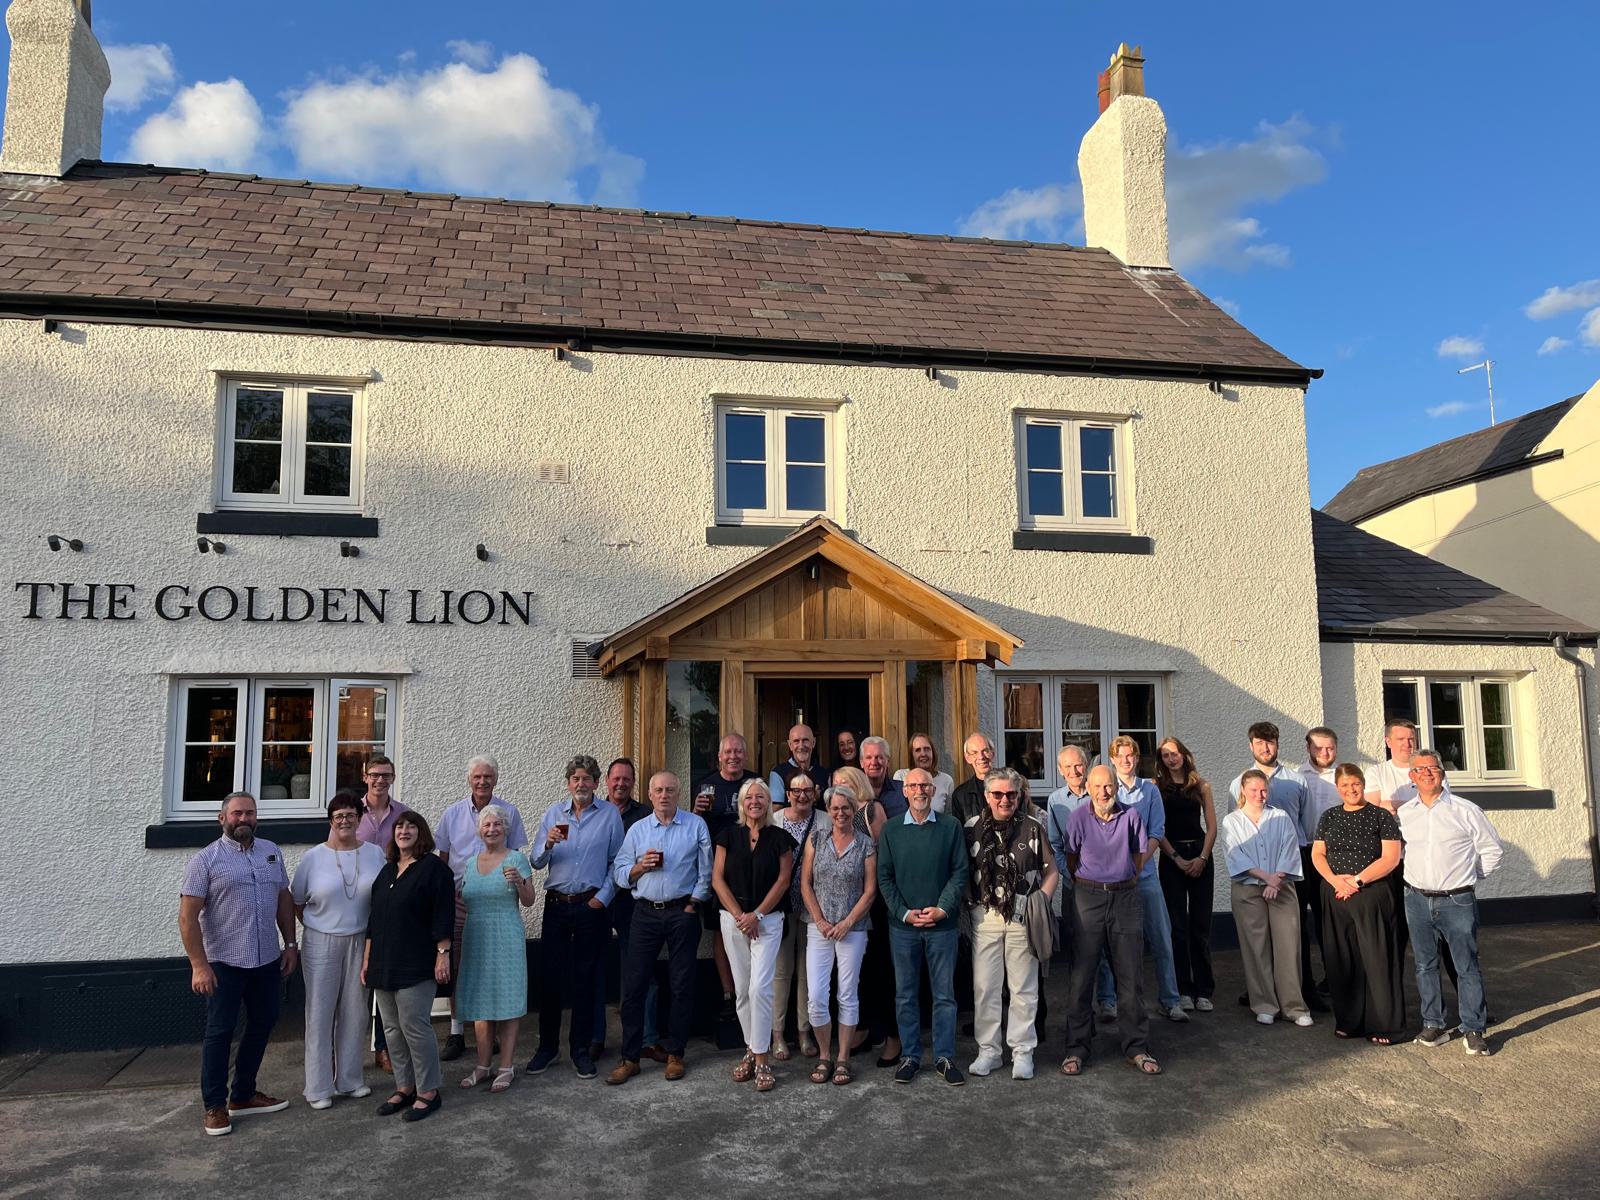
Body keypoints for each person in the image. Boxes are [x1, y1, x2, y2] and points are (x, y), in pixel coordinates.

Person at [178, 791, 298, 1137]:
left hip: (266, 960)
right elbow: (187, 918)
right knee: (220, 1032)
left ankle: (243, 1094)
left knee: (264, 1022)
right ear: (222, 819)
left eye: (249, 813)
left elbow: (283, 897)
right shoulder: (205, 861)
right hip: (223, 962)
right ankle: (215, 1105)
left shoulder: (271, 852)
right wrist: (198, 966)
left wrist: (290, 944)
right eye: (236, 814)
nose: (243, 819)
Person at [608, 772, 714, 1086]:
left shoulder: (695, 825)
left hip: (682, 911)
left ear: (678, 793)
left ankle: (675, 1053)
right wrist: (641, 867)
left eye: (670, 789)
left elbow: (705, 871)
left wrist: (694, 903)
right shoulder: (638, 830)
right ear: (650, 795)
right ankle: (630, 1057)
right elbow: (619, 872)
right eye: (658, 790)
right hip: (644, 913)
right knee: (634, 985)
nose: (664, 795)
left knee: (682, 984)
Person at [1397, 750, 1503, 1055]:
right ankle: (1434, 1023)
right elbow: (1403, 852)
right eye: (1421, 769)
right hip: (1416, 899)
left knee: (1466, 966)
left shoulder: (1465, 810)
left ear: (1442, 773)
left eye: (1433, 768)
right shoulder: (1406, 813)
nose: (1427, 773)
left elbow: (1492, 850)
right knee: (1424, 965)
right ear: (1412, 777)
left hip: (1457, 900)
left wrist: (1469, 877)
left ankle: (1474, 1028)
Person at [526, 755, 624, 1080]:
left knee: (585, 979)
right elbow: (536, 862)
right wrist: (548, 844)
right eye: (575, 779)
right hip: (556, 905)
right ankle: (547, 1047)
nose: (580, 784)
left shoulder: (609, 815)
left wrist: (602, 898)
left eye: (586, 778)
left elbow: (617, 862)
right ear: (568, 784)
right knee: (550, 978)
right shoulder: (554, 814)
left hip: (589, 906)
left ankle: (580, 1049)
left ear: (596, 783)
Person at [1059, 766, 1160, 1077]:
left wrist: (1118, 877)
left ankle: (1136, 1047)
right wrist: (1094, 880)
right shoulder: (1077, 818)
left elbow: (1138, 857)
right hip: (1087, 897)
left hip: (1125, 898)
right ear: (1088, 787)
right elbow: (1071, 858)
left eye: (1110, 786)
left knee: (1130, 976)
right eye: (1098, 786)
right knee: (1082, 975)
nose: (1104, 792)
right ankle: (1077, 1047)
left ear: (1117, 787)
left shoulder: (1131, 817)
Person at [291, 791, 387, 1109]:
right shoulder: (313, 857)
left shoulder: (375, 854)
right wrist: (320, 924)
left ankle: (350, 1080)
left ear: (360, 819)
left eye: (350, 815)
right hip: (322, 941)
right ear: (331, 821)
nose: (345, 821)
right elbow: (297, 901)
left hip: (362, 939)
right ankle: (318, 1088)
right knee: (320, 1012)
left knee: (356, 1011)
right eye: (338, 816)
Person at [964, 768, 1059, 1081]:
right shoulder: (972, 828)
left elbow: (1051, 871)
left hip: (1021, 916)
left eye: (1011, 794)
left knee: (1023, 988)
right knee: (985, 988)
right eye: (998, 794)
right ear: (988, 796)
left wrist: (1040, 902)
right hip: (985, 915)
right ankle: (989, 1051)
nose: (1005, 800)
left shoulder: (1032, 827)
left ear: (1019, 796)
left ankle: (1022, 1052)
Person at [877, 766, 969, 1086]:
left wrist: (942, 909)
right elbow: (884, 877)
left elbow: (959, 873)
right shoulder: (890, 830)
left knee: (944, 995)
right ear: (904, 791)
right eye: (913, 785)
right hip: (903, 927)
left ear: (934, 790)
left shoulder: (950, 827)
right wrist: (903, 913)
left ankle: (944, 1056)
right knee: (905, 995)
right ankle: (911, 1056)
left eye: (925, 786)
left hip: (942, 926)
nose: (919, 791)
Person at [434, 755, 529, 1060]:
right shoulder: (452, 814)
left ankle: (494, 1036)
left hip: (498, 902)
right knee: (462, 967)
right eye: (477, 777)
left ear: (495, 779)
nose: (482, 781)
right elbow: (443, 860)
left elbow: (515, 855)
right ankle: (456, 1031)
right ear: (469, 779)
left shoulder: (509, 812)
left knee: (495, 971)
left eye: (488, 777)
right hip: (461, 901)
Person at [364, 811, 454, 1122]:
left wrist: (443, 953)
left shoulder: (434, 870)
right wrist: (367, 960)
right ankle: (405, 1086)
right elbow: (373, 921)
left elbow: (443, 914)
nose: (404, 831)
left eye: (410, 826)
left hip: (417, 961)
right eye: (399, 826)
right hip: (383, 962)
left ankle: (429, 1091)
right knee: (391, 1028)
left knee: (415, 1027)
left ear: (421, 833)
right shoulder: (387, 871)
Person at [1229, 722, 1325, 1011]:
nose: (1265, 747)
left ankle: (1302, 992)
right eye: (1260, 742)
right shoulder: (1238, 783)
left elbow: (1306, 826)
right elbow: (1236, 827)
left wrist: (1286, 868)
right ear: (1251, 746)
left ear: (1278, 744)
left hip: (1291, 866)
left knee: (1293, 933)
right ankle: (1261, 994)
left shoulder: (1297, 781)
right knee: (1257, 936)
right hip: (1254, 873)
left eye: (1270, 742)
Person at [1310, 764, 1405, 1044]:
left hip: (1372, 895)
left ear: (1363, 784)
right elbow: (1318, 854)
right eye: (1344, 786)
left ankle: (1385, 1025)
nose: (1351, 790)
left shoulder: (1380, 817)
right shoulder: (1329, 817)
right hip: (1336, 895)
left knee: (1377, 960)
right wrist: (1335, 881)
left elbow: (1391, 858)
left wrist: (1357, 881)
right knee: (1342, 960)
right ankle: (1350, 1021)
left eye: (1355, 784)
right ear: (1337, 789)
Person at [712, 779, 794, 1092]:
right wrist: (740, 916)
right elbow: (717, 880)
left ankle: (761, 1059)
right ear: (741, 803)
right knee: (743, 989)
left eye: (760, 796)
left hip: (768, 920)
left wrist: (756, 914)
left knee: (761, 987)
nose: (754, 801)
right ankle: (751, 1050)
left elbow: (784, 880)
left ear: (768, 802)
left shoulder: (780, 837)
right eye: (749, 797)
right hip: (733, 920)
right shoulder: (728, 835)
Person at [455, 804, 536, 1093]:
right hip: (476, 934)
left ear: (506, 829)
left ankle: (506, 1066)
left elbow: (529, 901)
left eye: (497, 825)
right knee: (479, 1001)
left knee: (507, 999)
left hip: (506, 934)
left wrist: (520, 881)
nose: (492, 829)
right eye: (487, 825)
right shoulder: (468, 863)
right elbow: (462, 899)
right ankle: (482, 1065)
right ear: (479, 829)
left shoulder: (516, 859)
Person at [1106, 736, 1188, 1023]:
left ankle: (1170, 1000)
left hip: (1145, 875)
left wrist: (1139, 863)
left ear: (1137, 759)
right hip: (1114, 877)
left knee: (1161, 938)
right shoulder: (1108, 789)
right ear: (1113, 759)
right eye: (1121, 756)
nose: (1126, 761)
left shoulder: (1150, 791)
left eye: (1131, 756)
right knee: (1115, 943)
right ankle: (1115, 1002)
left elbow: (1156, 831)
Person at [801, 784, 877, 1085]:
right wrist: (819, 919)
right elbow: (805, 883)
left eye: (846, 807)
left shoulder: (865, 843)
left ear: (853, 811)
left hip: (853, 928)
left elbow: (870, 890)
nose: (841, 812)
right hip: (819, 928)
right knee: (817, 996)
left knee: (847, 993)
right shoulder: (816, 839)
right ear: (828, 811)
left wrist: (847, 922)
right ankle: (824, 1055)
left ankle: (843, 1057)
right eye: (835, 808)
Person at [1223, 770, 1312, 1028]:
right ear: (1243, 791)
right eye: (1254, 790)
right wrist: (1265, 877)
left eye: (1264, 790)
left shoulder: (1280, 816)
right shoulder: (1232, 821)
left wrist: (1278, 879)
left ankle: (1294, 1007)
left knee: (1288, 945)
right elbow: (1235, 854)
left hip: (1282, 887)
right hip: (1248, 889)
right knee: (1255, 947)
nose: (1260, 795)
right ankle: (1264, 1004)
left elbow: (1290, 847)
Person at [693, 733, 759, 1022]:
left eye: (738, 751)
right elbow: (696, 827)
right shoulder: (706, 784)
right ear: (719, 756)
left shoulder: (755, 783)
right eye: (728, 752)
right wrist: (695, 811)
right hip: (718, 867)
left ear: (745, 755)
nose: (733, 756)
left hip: (754, 866)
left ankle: (754, 993)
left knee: (756, 926)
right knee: (722, 929)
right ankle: (728, 994)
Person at [835, 764, 898, 1065]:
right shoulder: (837, 814)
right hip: (848, 904)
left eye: (846, 781)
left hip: (876, 903)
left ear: (857, 782)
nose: (841, 786)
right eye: (836, 783)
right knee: (858, 975)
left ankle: (891, 1037)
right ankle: (862, 1030)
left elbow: (885, 856)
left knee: (880, 970)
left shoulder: (872, 810)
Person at [590, 757, 652, 1062]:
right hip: (599, 901)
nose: (621, 783)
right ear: (607, 781)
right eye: (616, 778)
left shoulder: (646, 814)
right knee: (595, 969)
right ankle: (596, 1037)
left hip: (633, 903)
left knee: (638, 973)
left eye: (627, 779)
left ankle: (643, 1038)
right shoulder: (595, 813)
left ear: (633, 782)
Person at [1153, 737, 1217, 1013]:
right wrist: (1176, 859)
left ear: (1184, 754)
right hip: (1172, 859)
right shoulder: (1157, 787)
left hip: (1201, 855)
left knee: (1200, 928)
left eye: (1175, 753)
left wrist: (1202, 857)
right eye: (1165, 755)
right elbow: (1158, 828)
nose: (1171, 759)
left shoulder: (1201, 785)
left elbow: (1212, 827)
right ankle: (1182, 989)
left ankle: (1204, 989)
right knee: (1177, 928)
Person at [354, 754, 407, 1071]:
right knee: (356, 978)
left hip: (390, 903)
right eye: (375, 775)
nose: (380, 780)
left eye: (386, 775)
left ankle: (383, 1047)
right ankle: (347, 1050)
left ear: (393, 777)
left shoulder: (403, 814)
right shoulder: (351, 812)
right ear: (365, 776)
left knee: (384, 974)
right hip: (355, 902)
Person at [771, 767, 823, 1060]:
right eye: (796, 791)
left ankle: (804, 1032)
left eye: (807, 791)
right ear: (787, 794)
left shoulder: (826, 820)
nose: (801, 796)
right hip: (780, 906)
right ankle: (778, 1034)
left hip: (813, 907)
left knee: (808, 972)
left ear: (815, 794)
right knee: (781, 971)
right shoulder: (774, 820)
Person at [1045, 745, 1094, 978]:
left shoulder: (1098, 793)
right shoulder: (1055, 800)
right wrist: (1070, 874)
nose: (1074, 771)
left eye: (1078, 765)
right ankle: (1079, 1001)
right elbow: (1055, 845)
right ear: (1060, 771)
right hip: (1072, 883)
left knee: (1102, 942)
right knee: (1075, 940)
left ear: (1086, 766)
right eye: (1068, 767)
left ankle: (1107, 999)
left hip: (1101, 881)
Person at [894, 733, 954, 813]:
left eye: (927, 749)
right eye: (918, 750)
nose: (923, 754)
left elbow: (949, 815)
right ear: (912, 755)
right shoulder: (901, 777)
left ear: (933, 752)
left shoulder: (946, 780)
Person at [1366, 718, 1419, 810]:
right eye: (1401, 739)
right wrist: (1418, 807)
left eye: (1411, 739)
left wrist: (1392, 805)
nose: (1407, 744)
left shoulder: (1431, 770)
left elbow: (1440, 805)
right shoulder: (1375, 773)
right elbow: (1373, 811)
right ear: (1388, 742)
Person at [768, 723, 829, 803]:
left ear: (813, 742)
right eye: (796, 741)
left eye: (805, 740)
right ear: (790, 745)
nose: (801, 746)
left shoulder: (824, 773)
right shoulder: (778, 774)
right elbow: (776, 811)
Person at [948, 732, 996, 825]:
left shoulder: (1010, 788)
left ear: (992, 753)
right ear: (967, 758)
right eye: (974, 753)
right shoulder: (960, 795)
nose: (981, 757)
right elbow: (960, 833)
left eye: (985, 751)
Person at [860, 736, 907, 820]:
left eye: (879, 757)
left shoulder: (904, 790)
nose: (874, 762)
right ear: (861, 763)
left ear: (888, 762)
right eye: (869, 757)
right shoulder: (854, 794)